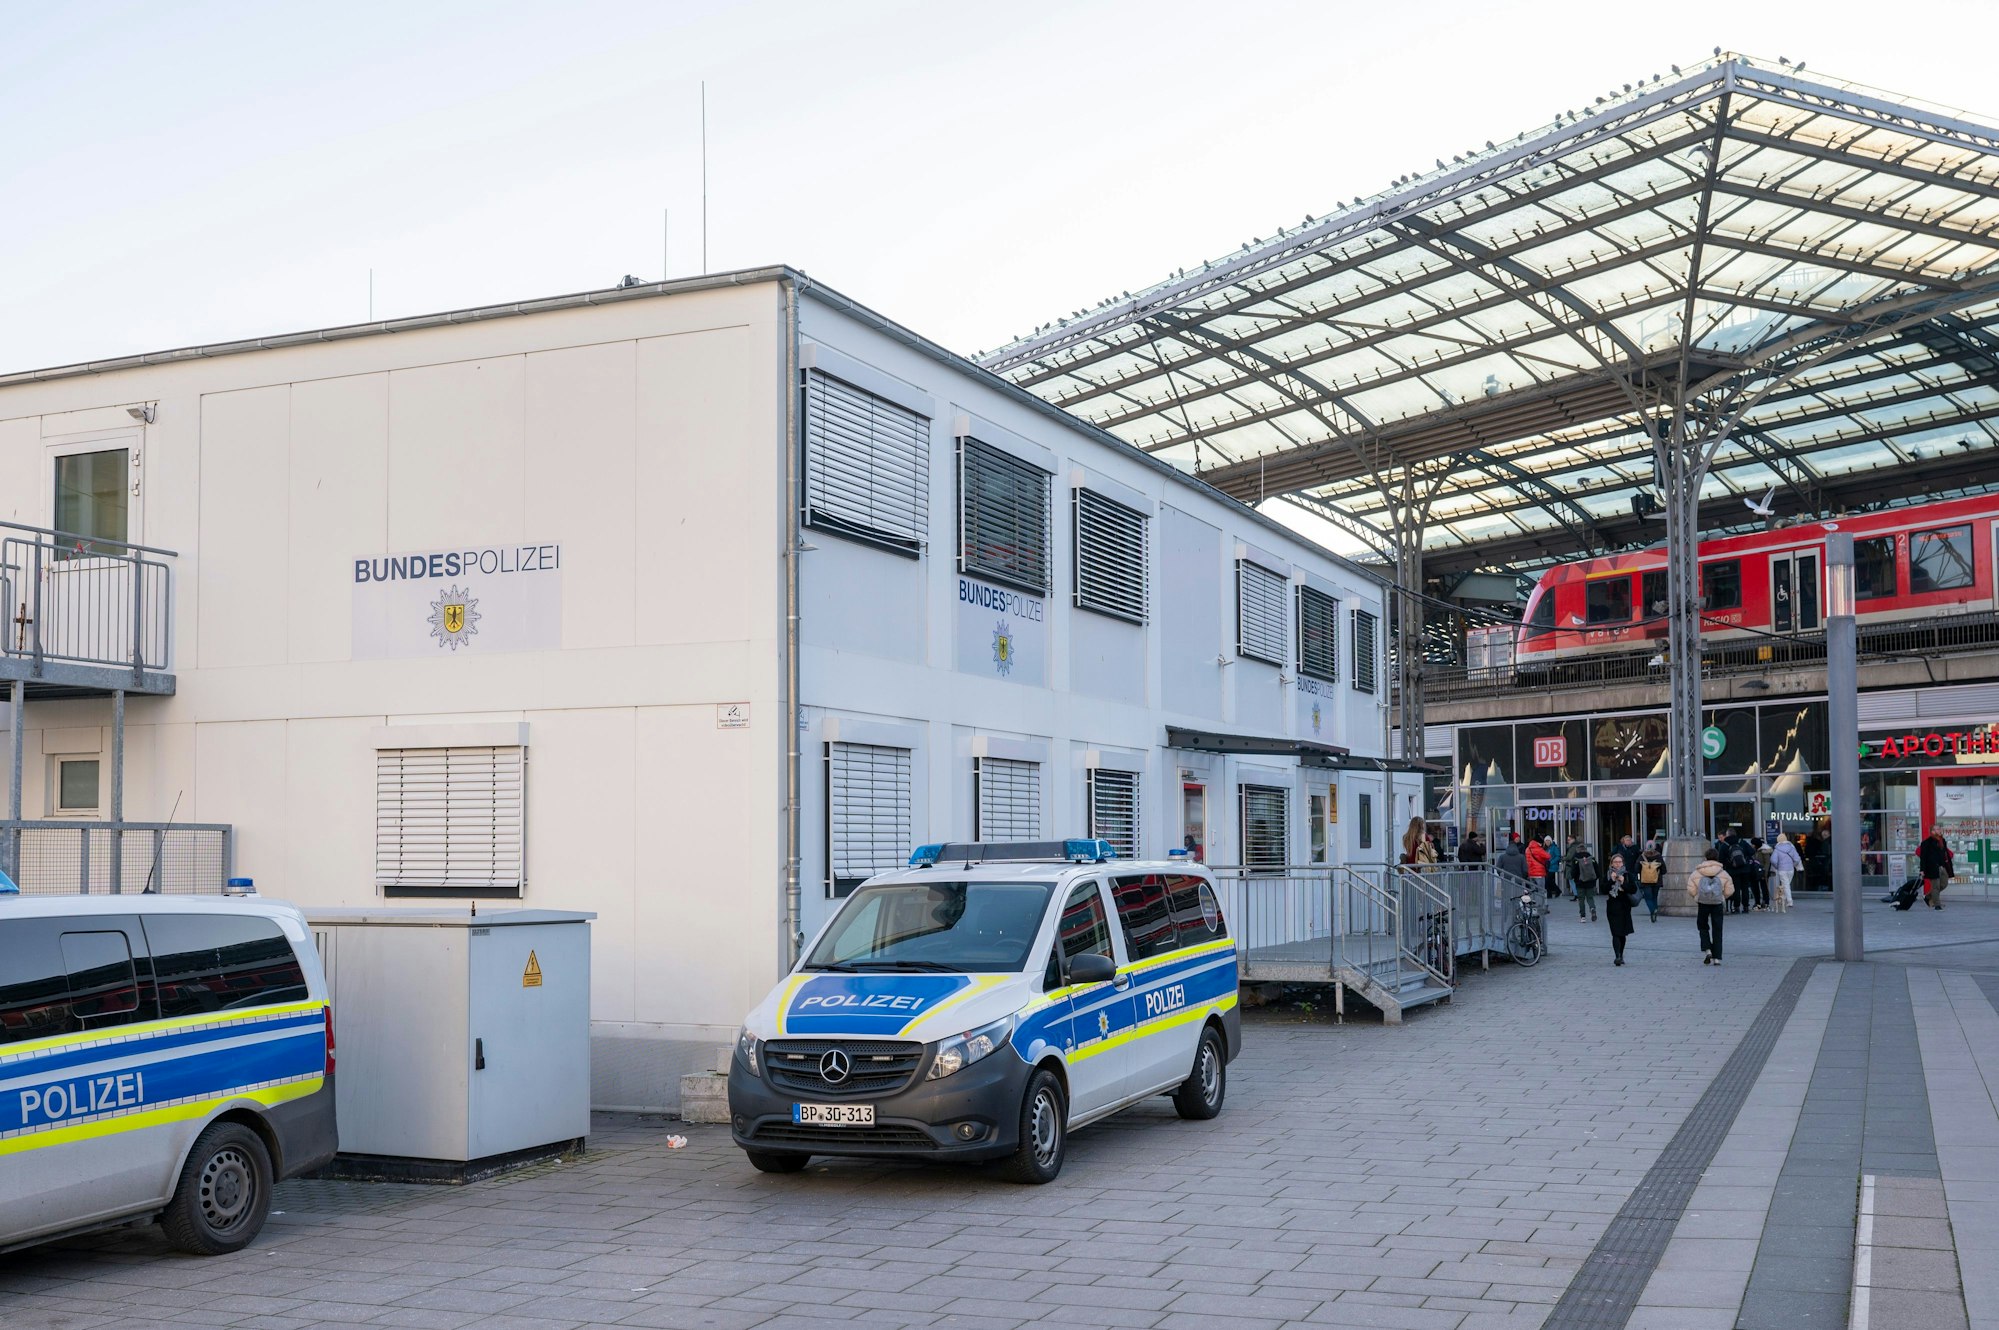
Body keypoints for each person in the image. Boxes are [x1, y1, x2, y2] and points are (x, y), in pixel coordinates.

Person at [1689, 854, 1735, 964]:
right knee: (1717, 929)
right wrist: (1722, 897)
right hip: (1717, 903)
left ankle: (1707, 949)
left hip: (1703, 903)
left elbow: (1691, 889)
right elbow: (1730, 890)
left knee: (1702, 926)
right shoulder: (1723, 873)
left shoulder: (1697, 873)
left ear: (1705, 858)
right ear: (1717, 859)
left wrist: (1697, 897)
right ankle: (1717, 958)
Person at [1604, 853, 1636, 965]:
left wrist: (1623, 883)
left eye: (1619, 862)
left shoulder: (1627, 875)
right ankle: (1617, 956)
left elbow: (1633, 889)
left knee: (1622, 933)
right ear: (1611, 863)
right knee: (1615, 933)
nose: (1618, 864)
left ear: (1623, 863)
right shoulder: (1608, 874)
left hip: (1624, 907)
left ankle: (1621, 955)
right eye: (1615, 862)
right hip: (1612, 908)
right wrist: (1611, 881)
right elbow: (1603, 889)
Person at [1919, 828, 1954, 910]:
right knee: (1935, 887)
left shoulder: (1942, 841)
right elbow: (1923, 857)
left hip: (1942, 866)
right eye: (1937, 829)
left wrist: (1948, 863)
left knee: (1944, 884)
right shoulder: (1926, 843)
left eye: (1939, 829)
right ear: (1932, 832)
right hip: (1932, 867)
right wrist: (1922, 869)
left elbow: (1945, 853)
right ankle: (1937, 905)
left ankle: (1928, 897)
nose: (1939, 831)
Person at [1769, 832, 1802, 912]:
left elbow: (1773, 860)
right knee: (1786, 884)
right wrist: (1793, 864)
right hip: (1791, 869)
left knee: (1786, 885)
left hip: (1782, 870)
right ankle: (1783, 899)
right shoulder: (1791, 848)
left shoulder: (1777, 849)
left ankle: (1789, 901)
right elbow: (1797, 859)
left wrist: (1777, 866)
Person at [1568, 844, 1600, 922]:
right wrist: (1595, 879)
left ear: (1577, 850)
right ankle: (1592, 908)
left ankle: (1583, 917)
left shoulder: (1576, 859)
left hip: (1580, 882)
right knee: (1590, 898)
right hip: (1590, 882)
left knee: (1581, 899)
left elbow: (1573, 871)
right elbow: (1597, 870)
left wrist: (1573, 878)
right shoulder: (1591, 858)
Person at [1637, 838, 1666, 922]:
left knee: (1648, 898)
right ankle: (1654, 911)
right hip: (1656, 881)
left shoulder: (1642, 856)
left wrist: (1639, 876)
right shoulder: (1658, 856)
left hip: (1645, 881)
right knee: (1654, 897)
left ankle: (1652, 911)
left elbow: (1636, 869)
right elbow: (1664, 870)